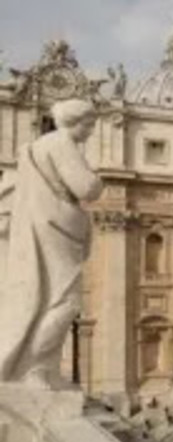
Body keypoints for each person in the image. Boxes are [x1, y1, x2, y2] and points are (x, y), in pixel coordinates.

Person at [0, 99, 102, 388]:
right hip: (54, 228)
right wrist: (97, 182)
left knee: (45, 298)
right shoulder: (61, 145)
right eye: (90, 123)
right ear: (76, 122)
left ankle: (33, 368)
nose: (92, 130)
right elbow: (86, 187)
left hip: (45, 227)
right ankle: (35, 369)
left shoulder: (36, 147)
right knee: (64, 301)